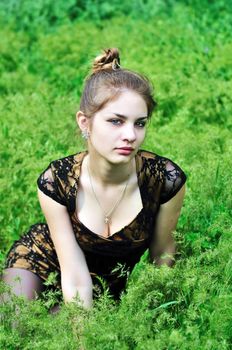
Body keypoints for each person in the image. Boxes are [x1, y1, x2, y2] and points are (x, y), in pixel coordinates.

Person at [1, 48, 186, 310]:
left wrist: (155, 318)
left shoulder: (164, 180)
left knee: (60, 333)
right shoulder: (57, 181)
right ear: (84, 122)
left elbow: (163, 258)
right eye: (116, 121)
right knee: (16, 328)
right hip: (43, 261)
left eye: (140, 123)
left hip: (105, 287)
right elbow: (74, 276)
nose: (130, 135)